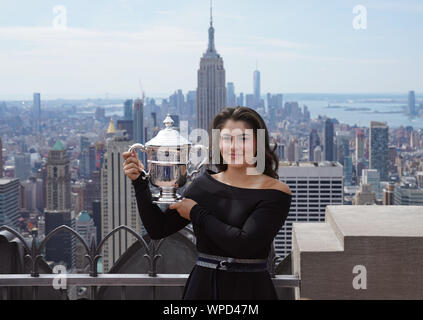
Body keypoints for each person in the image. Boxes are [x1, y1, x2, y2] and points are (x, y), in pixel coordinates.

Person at [122, 106, 292, 300]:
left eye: (243, 138)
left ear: (258, 142)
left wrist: (196, 213)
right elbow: (158, 229)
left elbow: (245, 245)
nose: (233, 147)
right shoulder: (204, 185)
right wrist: (140, 182)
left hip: (251, 291)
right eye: (226, 138)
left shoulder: (275, 192)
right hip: (203, 288)